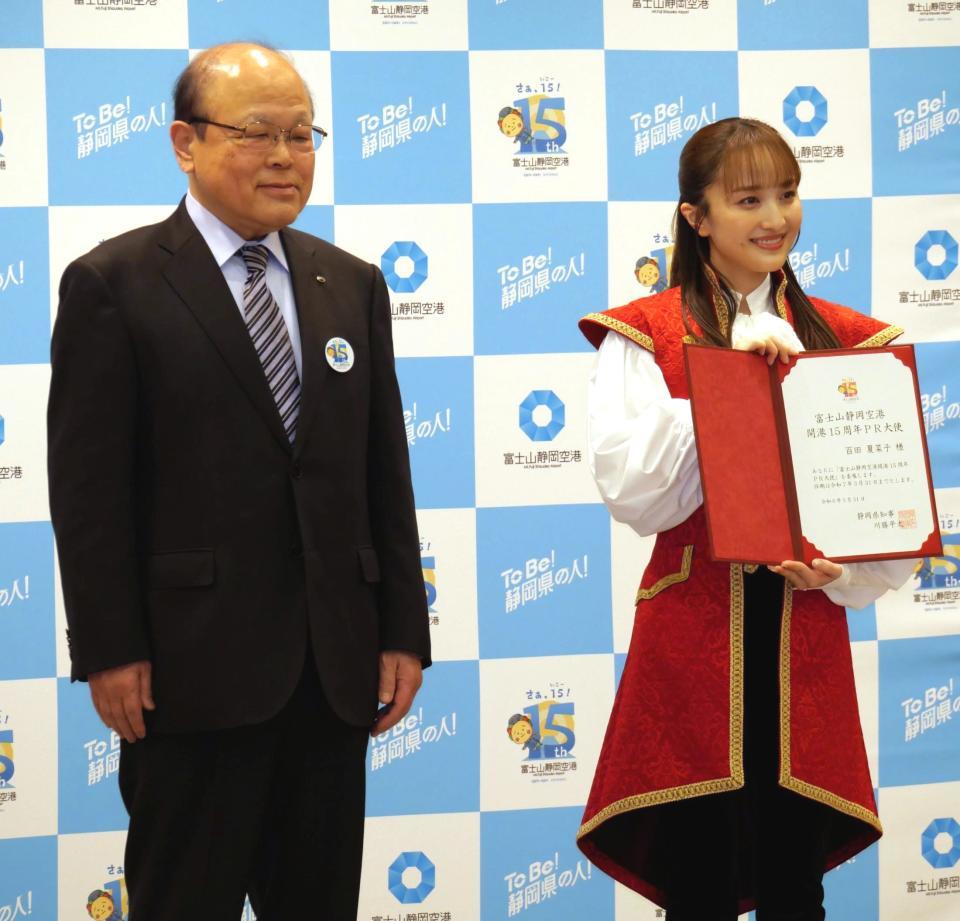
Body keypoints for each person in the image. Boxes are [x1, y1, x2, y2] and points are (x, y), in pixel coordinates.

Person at [47, 42, 431, 920]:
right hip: (189, 675)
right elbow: (89, 491)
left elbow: (385, 471)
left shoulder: (350, 283)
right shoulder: (116, 282)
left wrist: (403, 626)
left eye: (303, 134)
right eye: (259, 133)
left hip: (332, 673)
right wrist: (109, 647)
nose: (287, 156)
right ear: (185, 142)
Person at [575, 117, 916, 920]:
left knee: (797, 883)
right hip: (694, 635)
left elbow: (883, 506)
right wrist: (721, 380)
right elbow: (635, 492)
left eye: (789, 195)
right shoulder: (647, 332)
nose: (775, 218)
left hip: (804, 634)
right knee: (698, 880)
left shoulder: (849, 338)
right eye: (748, 199)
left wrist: (847, 566)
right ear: (696, 216)